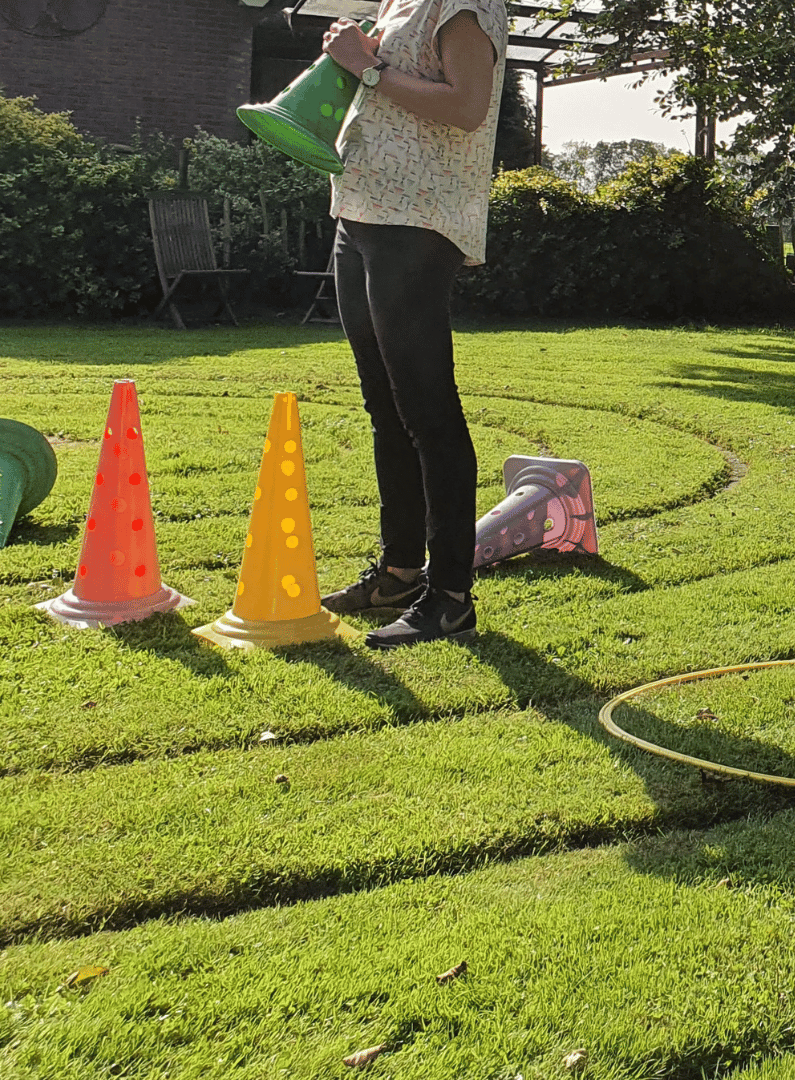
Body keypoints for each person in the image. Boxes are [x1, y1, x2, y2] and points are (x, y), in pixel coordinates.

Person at [318, 0, 508, 650]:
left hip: (417, 221)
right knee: (386, 408)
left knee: (428, 412)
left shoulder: (463, 5)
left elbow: (466, 106)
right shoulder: (399, 2)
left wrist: (367, 71)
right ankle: (400, 572)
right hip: (362, 213)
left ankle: (450, 597)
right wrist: (353, 63)